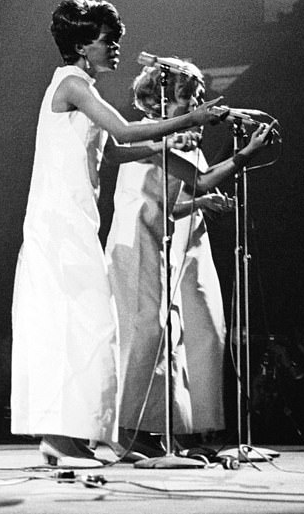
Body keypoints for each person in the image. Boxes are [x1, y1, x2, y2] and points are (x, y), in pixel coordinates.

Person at [10, 0, 233, 468]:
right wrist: (190, 120)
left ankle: (73, 437)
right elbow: (124, 133)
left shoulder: (81, 85)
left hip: (74, 222)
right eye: (107, 41)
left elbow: (112, 152)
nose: (115, 49)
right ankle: (62, 438)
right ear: (81, 44)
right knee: (78, 326)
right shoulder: (71, 83)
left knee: (88, 328)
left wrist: (168, 140)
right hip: (57, 224)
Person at [104, 64, 276, 460]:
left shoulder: (177, 139)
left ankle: (167, 429)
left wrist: (237, 162)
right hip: (136, 244)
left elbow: (194, 186)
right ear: (162, 98)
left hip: (160, 242)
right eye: (189, 97)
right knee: (147, 335)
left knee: (176, 335)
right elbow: (171, 193)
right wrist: (243, 156)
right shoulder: (147, 134)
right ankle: (128, 431)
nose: (196, 105)